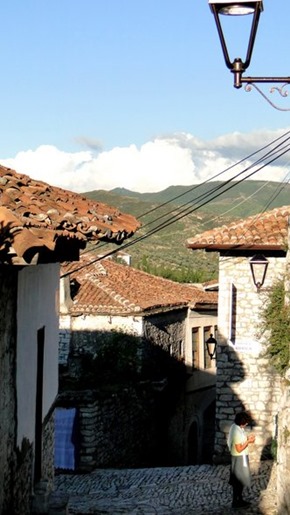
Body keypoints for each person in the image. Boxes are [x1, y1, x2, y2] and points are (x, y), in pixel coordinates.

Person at [227, 411, 255, 509]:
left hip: (240, 457)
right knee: (238, 480)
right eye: (246, 422)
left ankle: (239, 499)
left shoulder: (237, 427)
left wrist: (247, 438)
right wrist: (248, 441)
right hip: (239, 457)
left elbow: (240, 441)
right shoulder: (236, 431)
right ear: (242, 422)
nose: (247, 424)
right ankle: (236, 502)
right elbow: (239, 448)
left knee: (240, 480)